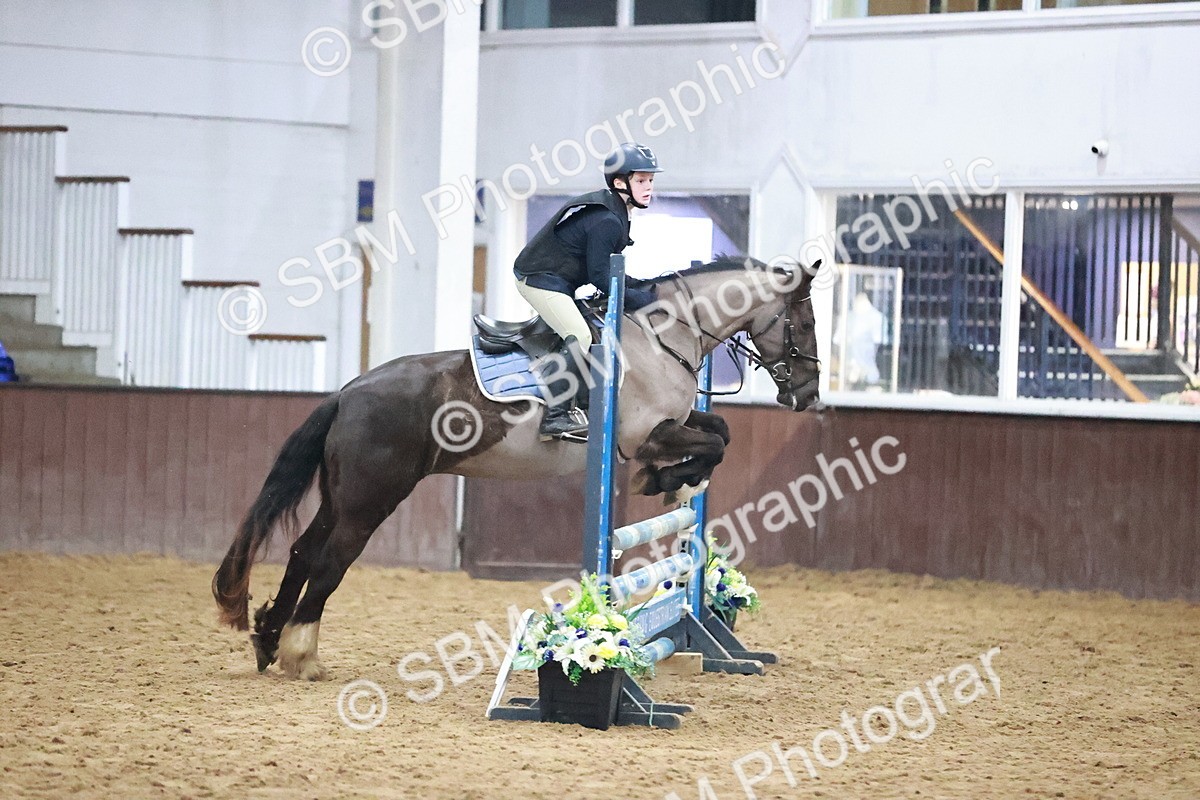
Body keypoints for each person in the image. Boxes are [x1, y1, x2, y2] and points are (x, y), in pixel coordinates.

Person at [513, 142, 662, 440]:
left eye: (650, 181)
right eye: (641, 181)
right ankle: (554, 417)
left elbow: (610, 272)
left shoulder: (616, 211)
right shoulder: (607, 219)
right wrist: (644, 300)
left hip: (561, 281)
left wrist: (640, 287)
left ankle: (582, 399)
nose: (648, 188)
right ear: (620, 183)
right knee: (579, 335)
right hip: (539, 279)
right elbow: (599, 277)